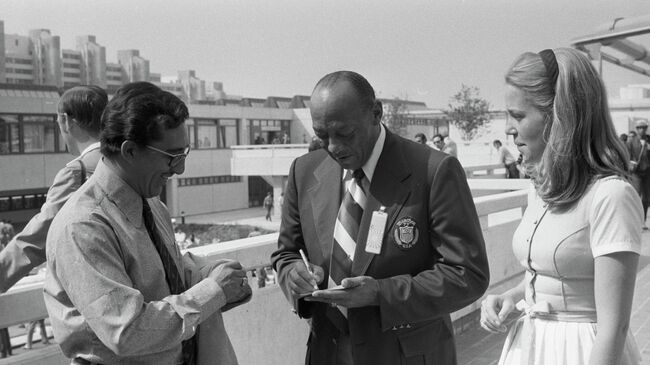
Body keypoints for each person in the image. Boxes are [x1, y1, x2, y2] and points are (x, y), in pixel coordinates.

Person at [271, 71, 489, 365]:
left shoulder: (432, 171)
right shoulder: (304, 171)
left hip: (404, 354)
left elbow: (467, 275)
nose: (333, 147)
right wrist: (294, 274)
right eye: (321, 136)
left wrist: (381, 294)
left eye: (345, 134)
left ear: (376, 113)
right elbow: (285, 253)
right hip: (327, 351)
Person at [43, 82, 252, 364]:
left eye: (184, 154)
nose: (180, 169)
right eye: (172, 157)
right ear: (129, 151)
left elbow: (165, 274)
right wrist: (212, 291)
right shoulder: (83, 226)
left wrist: (206, 272)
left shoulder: (152, 204)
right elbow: (127, 331)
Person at [480, 48, 642, 365]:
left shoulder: (611, 196)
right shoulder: (540, 189)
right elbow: (546, 276)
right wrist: (511, 298)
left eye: (518, 115)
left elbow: (614, 327)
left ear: (561, 116)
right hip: (530, 346)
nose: (509, 128)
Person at [0, 85, 108, 293]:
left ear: (66, 120)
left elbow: (35, 241)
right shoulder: (125, 163)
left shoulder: (77, 173)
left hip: (86, 302)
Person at [628, 119, 650, 229]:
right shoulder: (631, 141)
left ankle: (643, 221)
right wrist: (631, 162)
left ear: (646, 128)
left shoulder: (649, 140)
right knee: (636, 196)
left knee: (646, 198)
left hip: (647, 172)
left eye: (644, 127)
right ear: (636, 129)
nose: (642, 130)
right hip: (636, 173)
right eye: (639, 128)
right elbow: (627, 154)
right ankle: (635, 220)